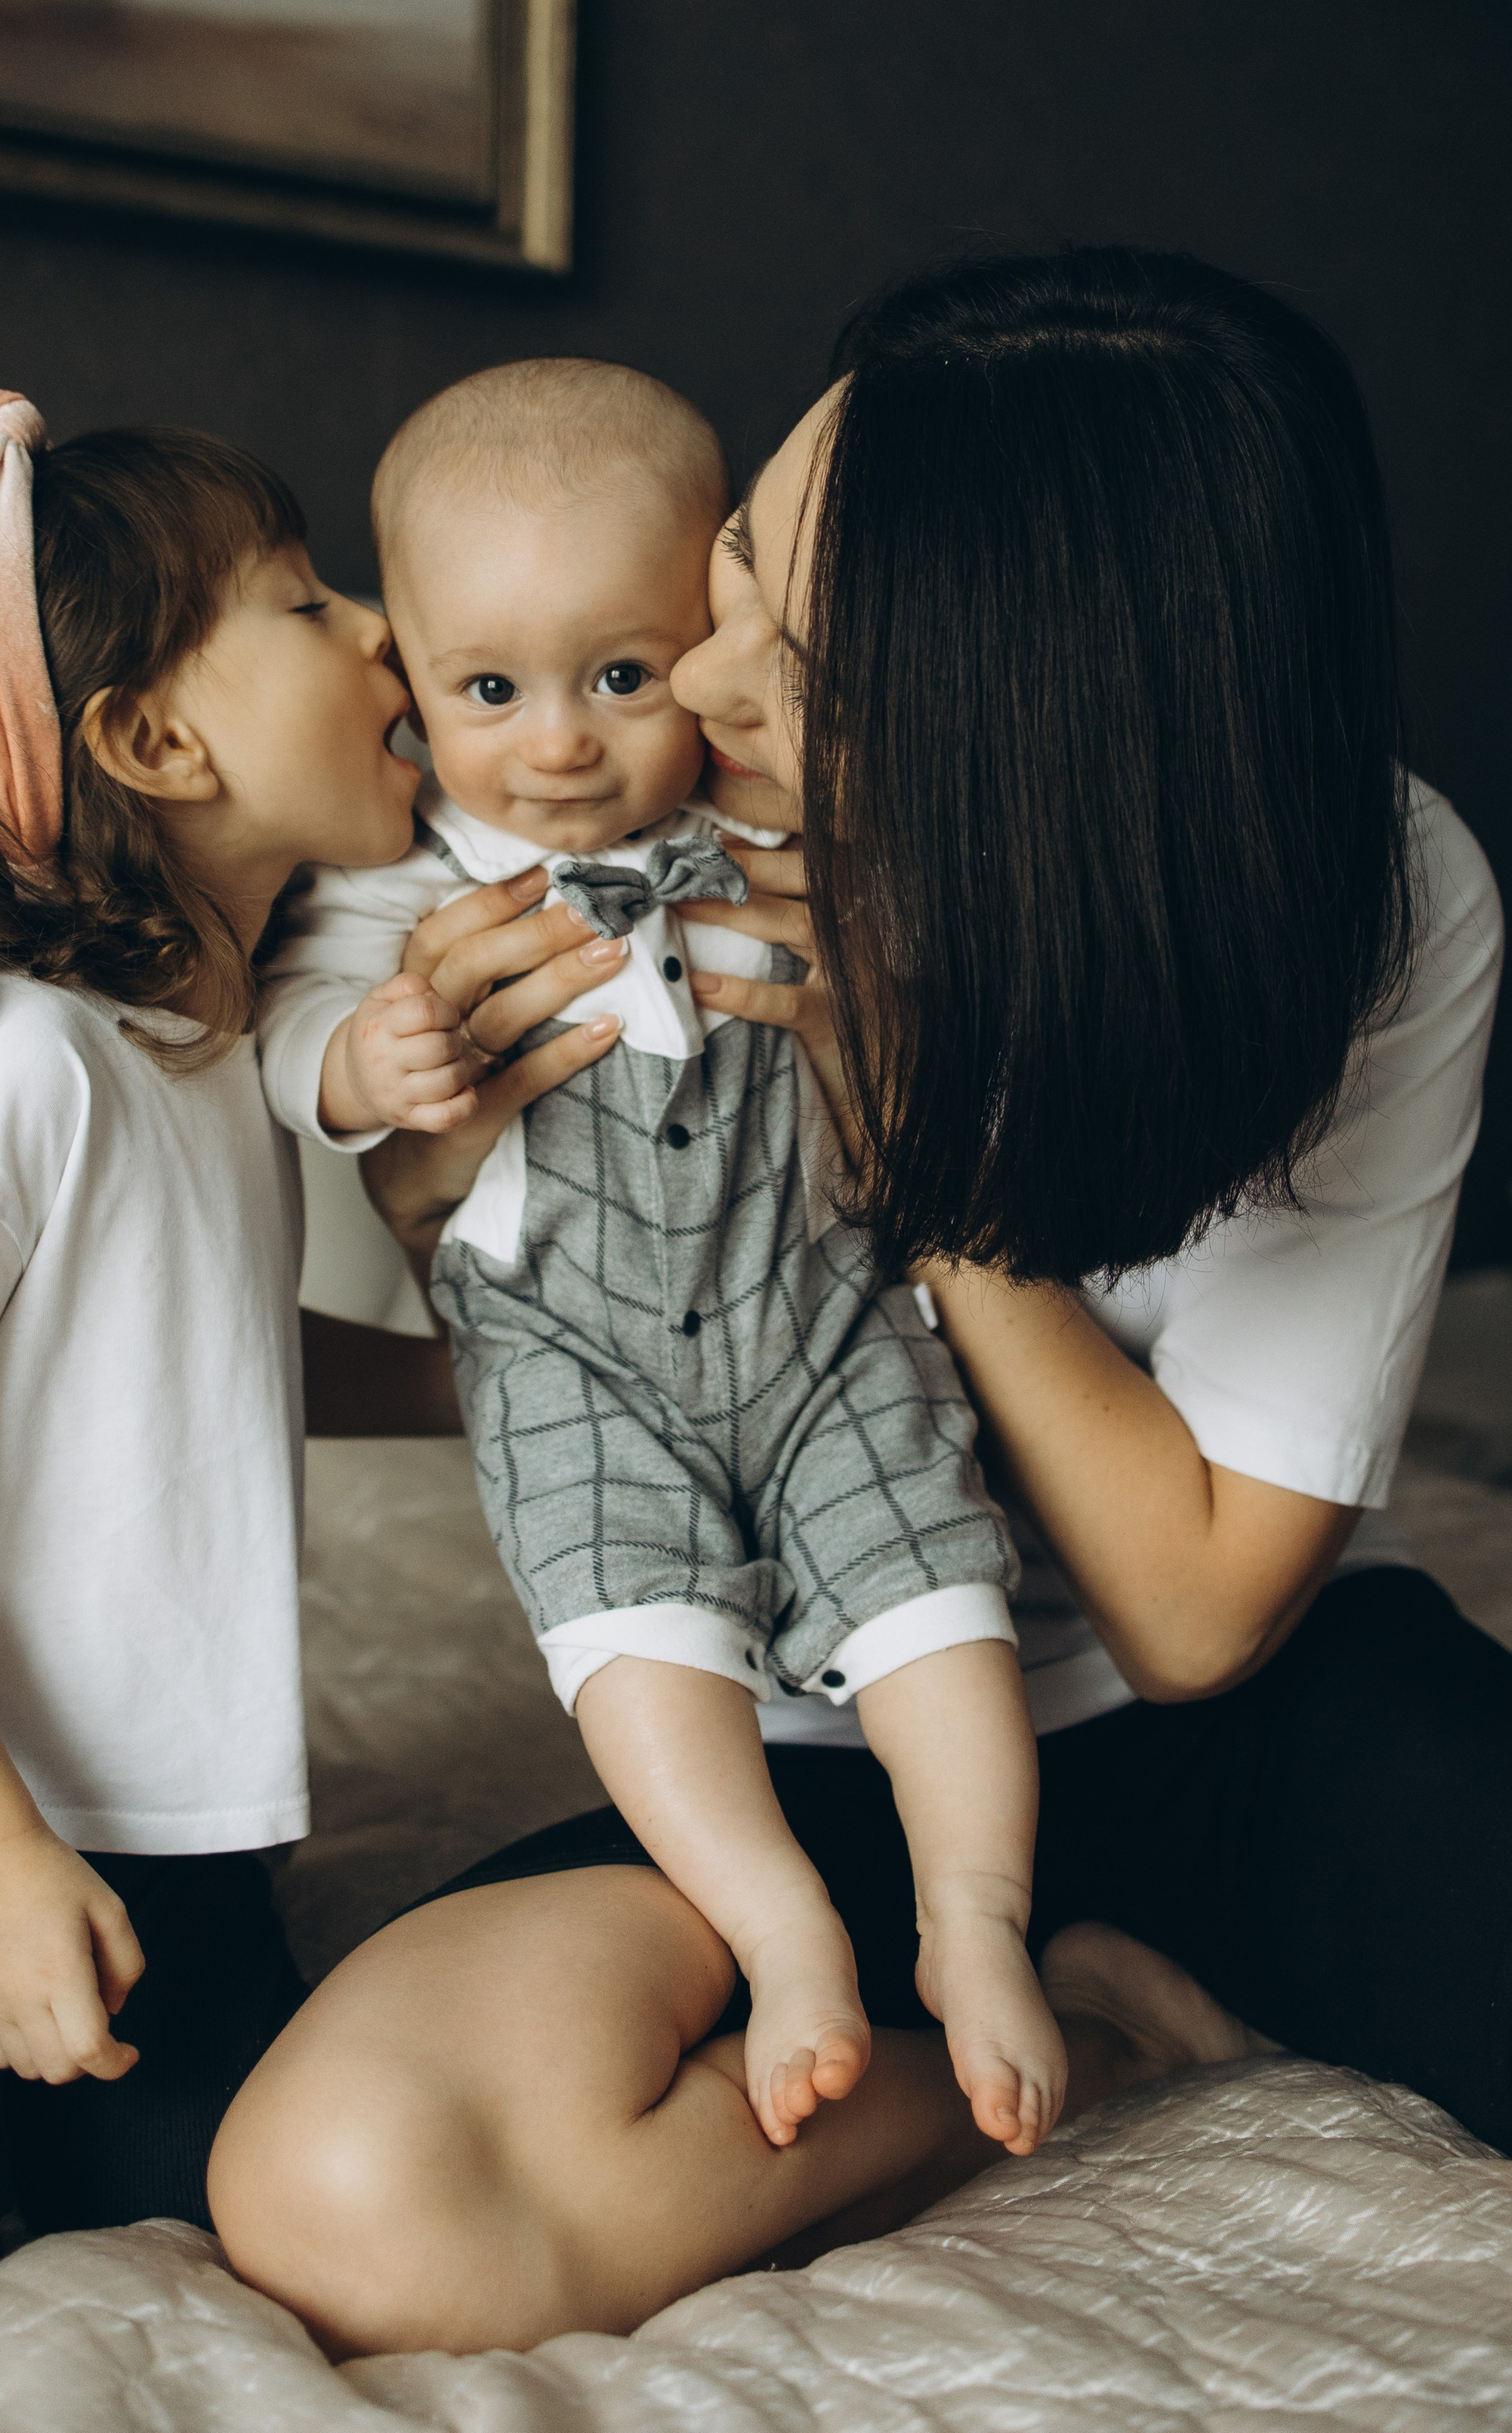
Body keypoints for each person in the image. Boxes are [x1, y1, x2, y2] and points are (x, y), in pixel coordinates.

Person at [209, 246, 1512, 2359]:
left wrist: (924, 1166)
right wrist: (442, 1171)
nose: (682, 692)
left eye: (779, 662)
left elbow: (1197, 1613)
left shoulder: (1361, 889)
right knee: (359, 2194)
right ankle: (1059, 2028)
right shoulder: (613, 835)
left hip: (1230, 1712)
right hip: (808, 1717)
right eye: (731, 573)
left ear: (1022, 745)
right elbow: (517, 1298)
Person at [0, 393, 606, 2323]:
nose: (387, 629)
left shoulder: (199, 1060)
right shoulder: (6, 1060)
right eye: (306, 603)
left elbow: (187, 1369)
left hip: (158, 1814)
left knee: (211, 2194)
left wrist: (484, 1382)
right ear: (149, 739)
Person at [258, 356, 1064, 2160]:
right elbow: (294, 1016)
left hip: (824, 1314)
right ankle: (781, 1929)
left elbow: (919, 953)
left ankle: (976, 1919)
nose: (558, 741)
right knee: (633, 1638)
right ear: (408, 681)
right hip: (572, 1358)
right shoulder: (400, 877)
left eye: (618, 675)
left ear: (708, 629)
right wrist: (355, 1062)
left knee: (939, 1596)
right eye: (491, 689)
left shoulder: (776, 823)